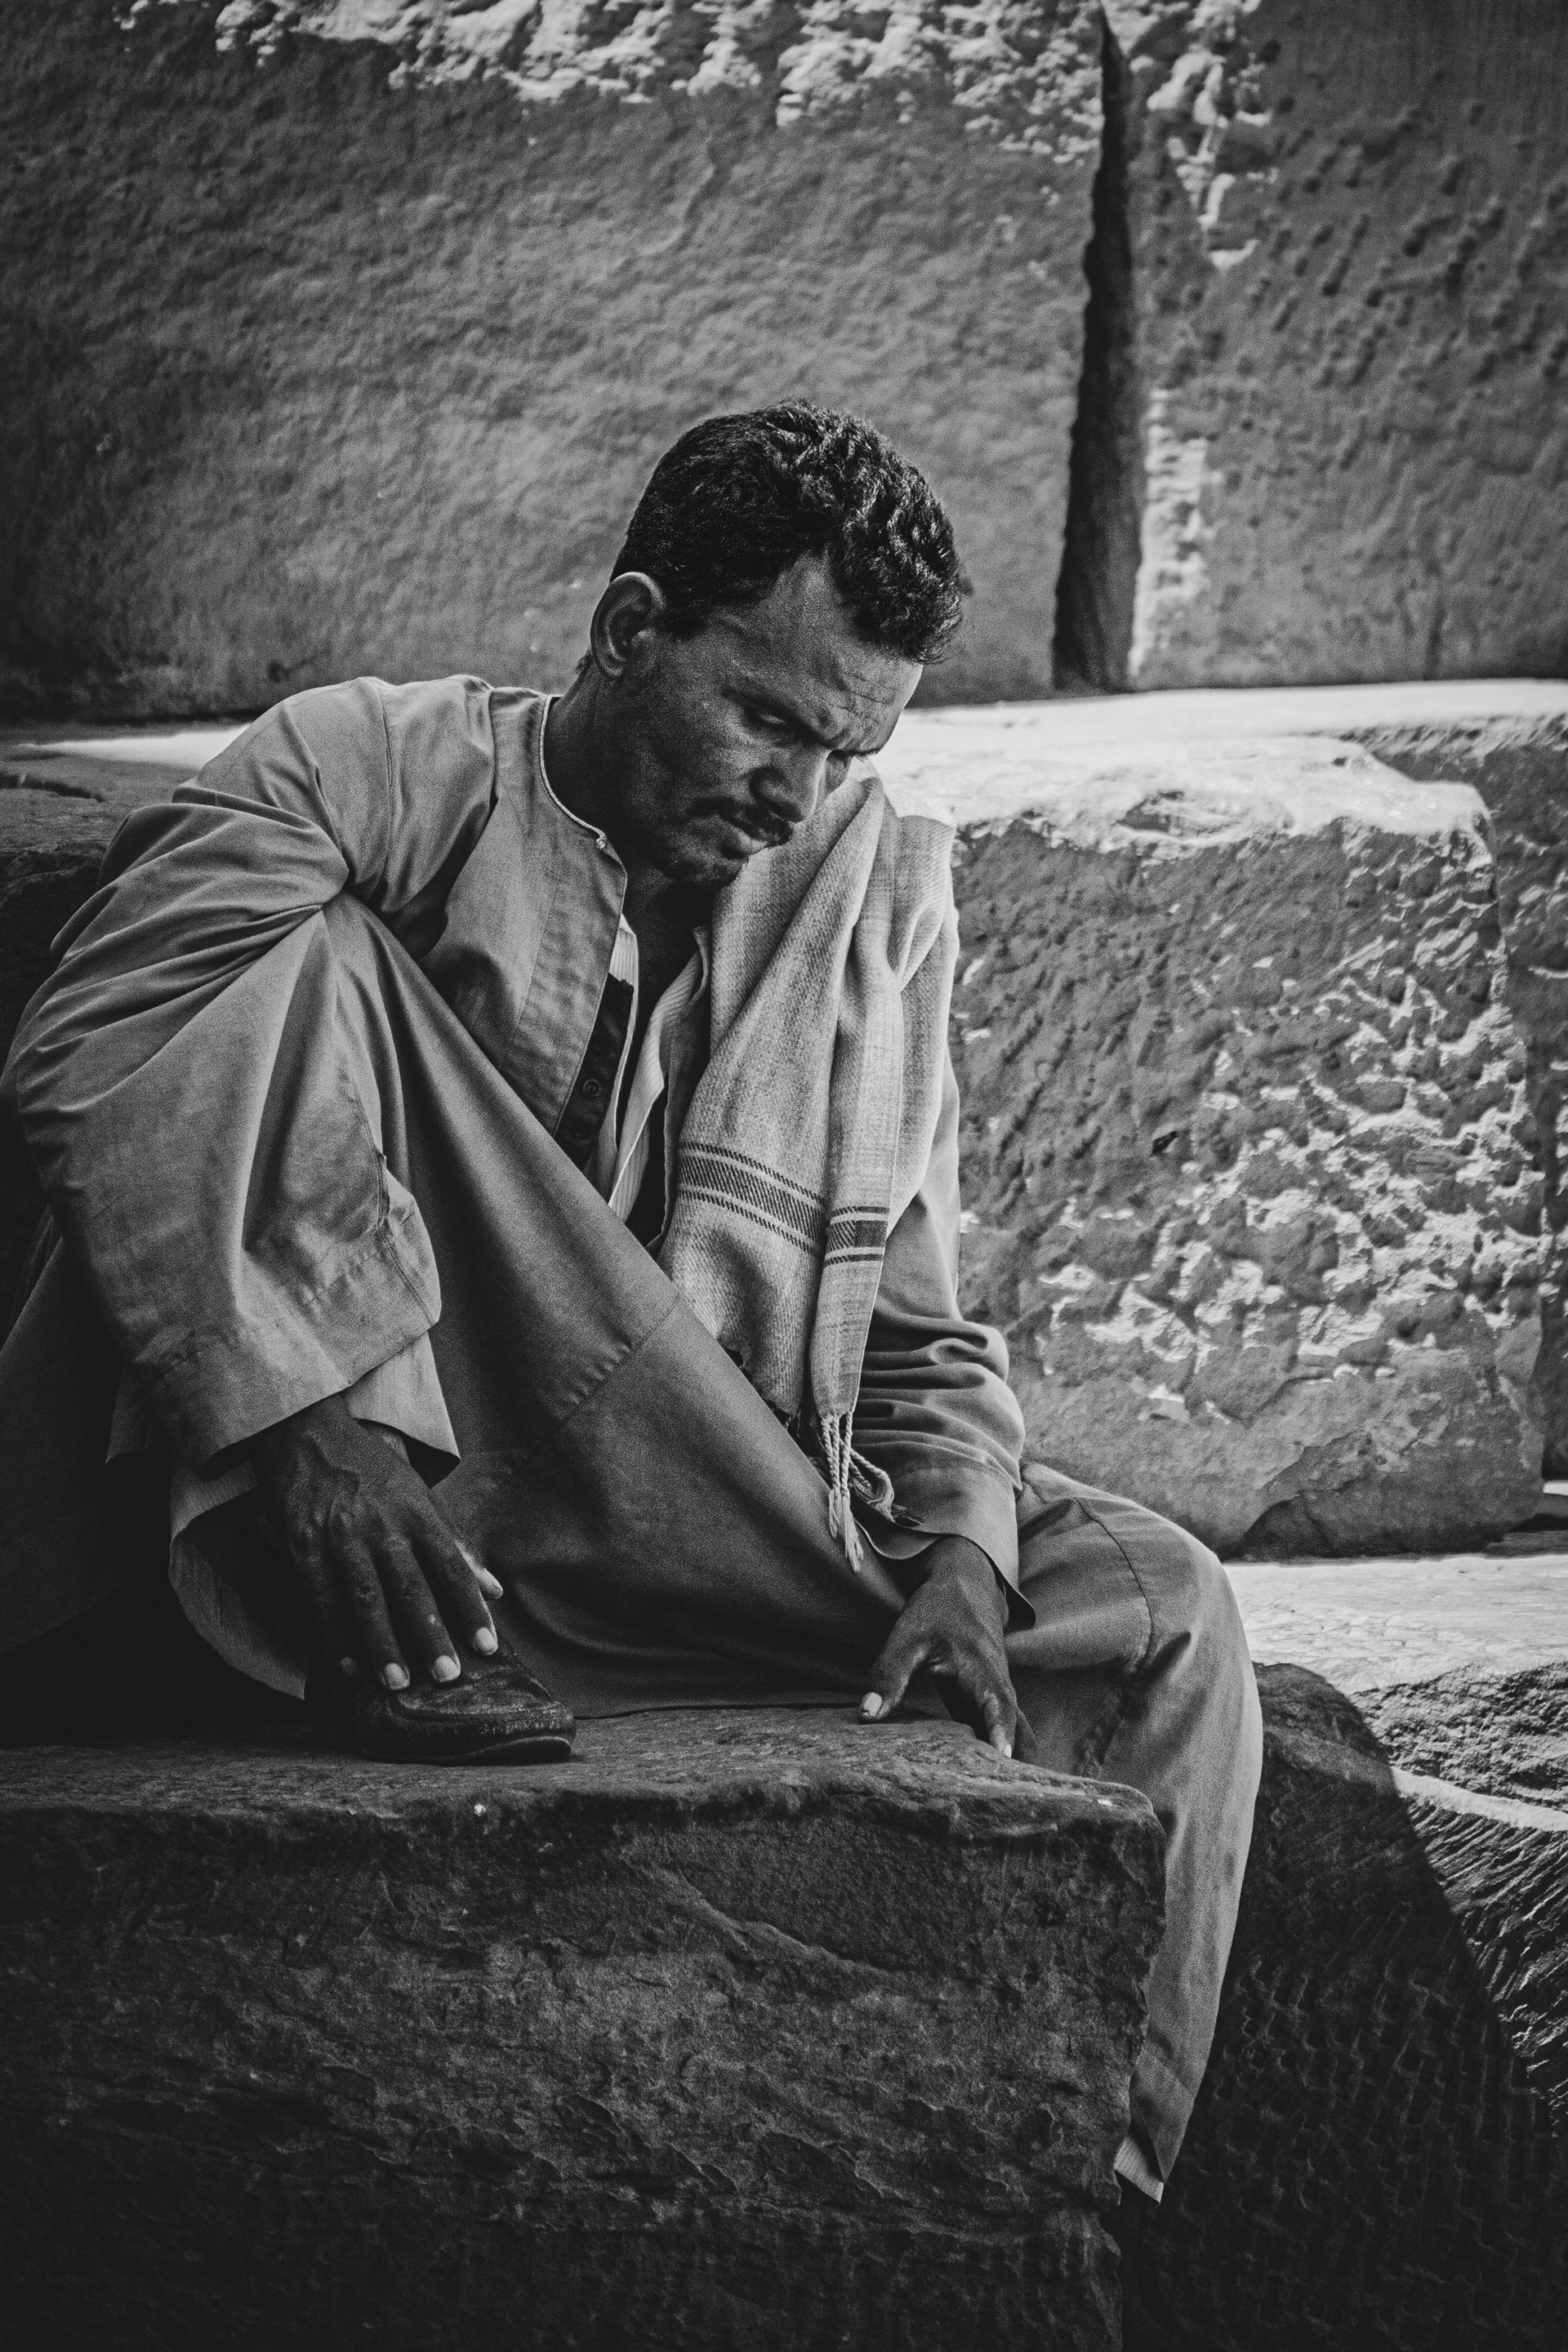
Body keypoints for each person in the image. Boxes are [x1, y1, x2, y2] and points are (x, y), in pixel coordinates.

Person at [0, 402, 1259, 2281]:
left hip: (679, 1493)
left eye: (848, 750)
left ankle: (1093, 2206)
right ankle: (363, 1581)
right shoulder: (371, 766)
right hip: (362, 1480)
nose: (797, 793)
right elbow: (98, 1034)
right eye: (767, 718)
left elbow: (914, 1313)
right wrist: (305, 1420)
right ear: (629, 627)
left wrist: (962, 1560)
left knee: (1157, 1605)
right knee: (299, 962)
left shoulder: (871, 893)